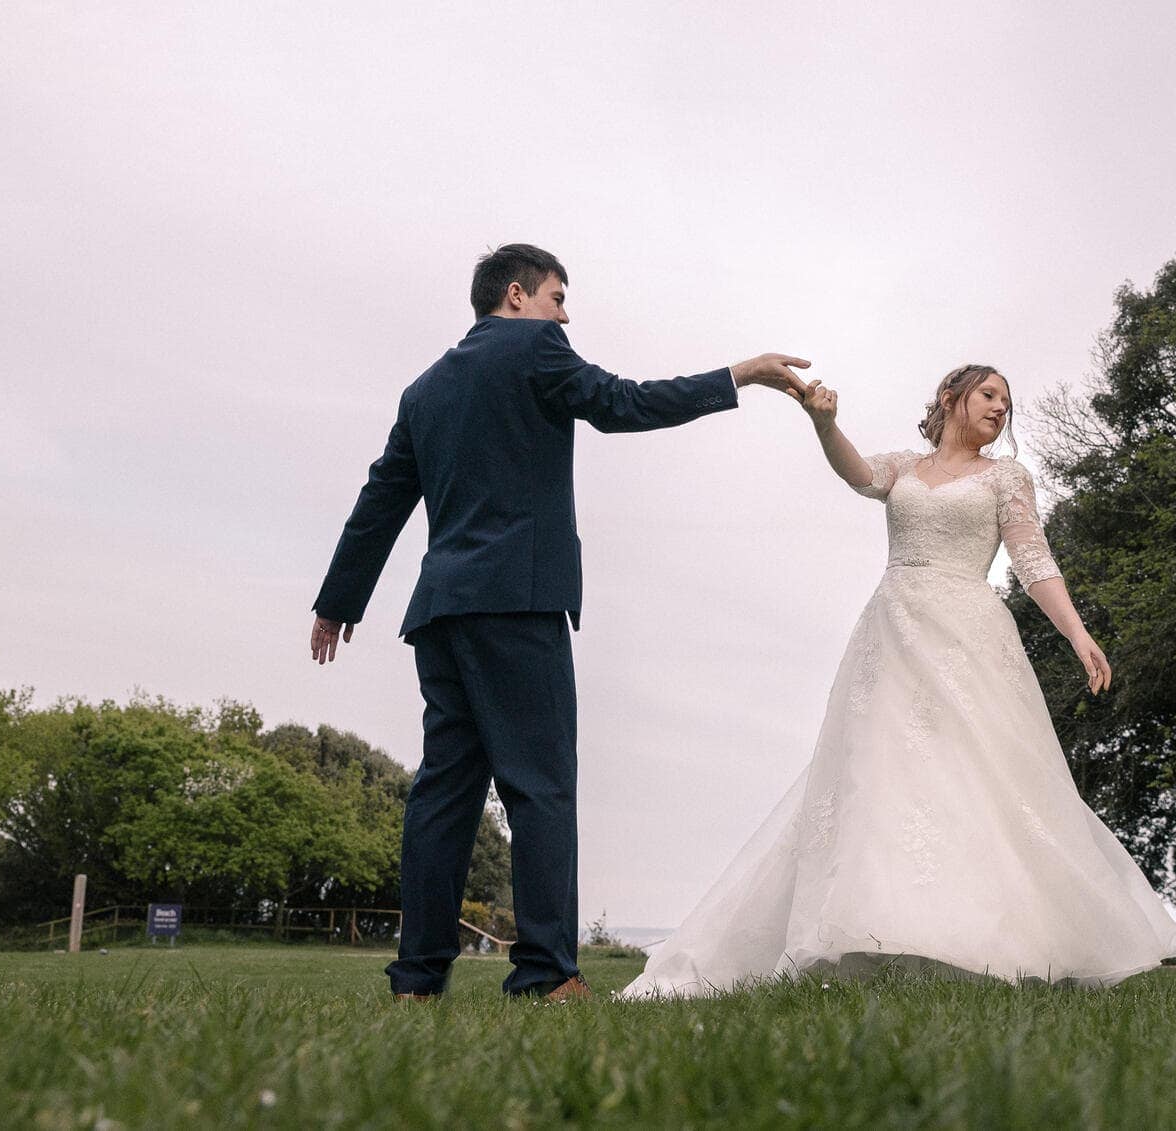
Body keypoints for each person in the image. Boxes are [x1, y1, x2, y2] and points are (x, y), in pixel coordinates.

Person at [308, 243, 809, 1001]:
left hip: (441, 611)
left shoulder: (424, 389)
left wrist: (338, 601)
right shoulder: (536, 346)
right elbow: (624, 403)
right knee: (541, 787)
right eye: (558, 297)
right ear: (516, 295)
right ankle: (546, 973)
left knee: (442, 794)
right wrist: (739, 374)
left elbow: (383, 497)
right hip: (518, 599)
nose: (565, 314)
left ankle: (415, 980)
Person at [622, 364, 1176, 997]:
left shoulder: (1007, 477)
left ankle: (995, 943)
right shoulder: (904, 468)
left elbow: (1034, 562)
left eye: (1008, 402)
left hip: (970, 634)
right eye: (990, 395)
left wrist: (1079, 634)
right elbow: (857, 473)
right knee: (881, 773)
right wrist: (824, 422)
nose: (1001, 409)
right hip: (892, 631)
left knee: (980, 775)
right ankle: (875, 937)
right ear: (952, 398)